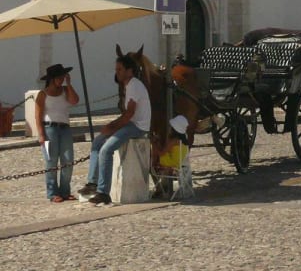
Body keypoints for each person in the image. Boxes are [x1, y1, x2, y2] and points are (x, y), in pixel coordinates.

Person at [78, 55, 152, 205]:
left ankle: (103, 192)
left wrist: (111, 127)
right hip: (131, 123)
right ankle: (92, 183)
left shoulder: (134, 85)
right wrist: (110, 128)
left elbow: (129, 114)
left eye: (119, 69)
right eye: (116, 69)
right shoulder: (129, 85)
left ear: (129, 71)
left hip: (138, 126)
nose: (116, 72)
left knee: (106, 150)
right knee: (98, 141)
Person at [35, 63, 80, 202]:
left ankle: (65, 191)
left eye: (62, 77)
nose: (61, 80)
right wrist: (41, 134)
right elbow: (38, 115)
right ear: (52, 79)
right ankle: (53, 193)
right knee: (51, 161)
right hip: (49, 129)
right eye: (58, 77)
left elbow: (75, 101)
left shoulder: (66, 90)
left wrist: (69, 84)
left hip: (65, 129)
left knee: (68, 160)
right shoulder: (43, 94)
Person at [154, 114, 191, 198]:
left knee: (154, 162)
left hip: (172, 163)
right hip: (179, 162)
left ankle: (160, 187)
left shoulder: (174, 141)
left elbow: (161, 153)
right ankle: (163, 186)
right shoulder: (184, 138)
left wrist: (155, 142)